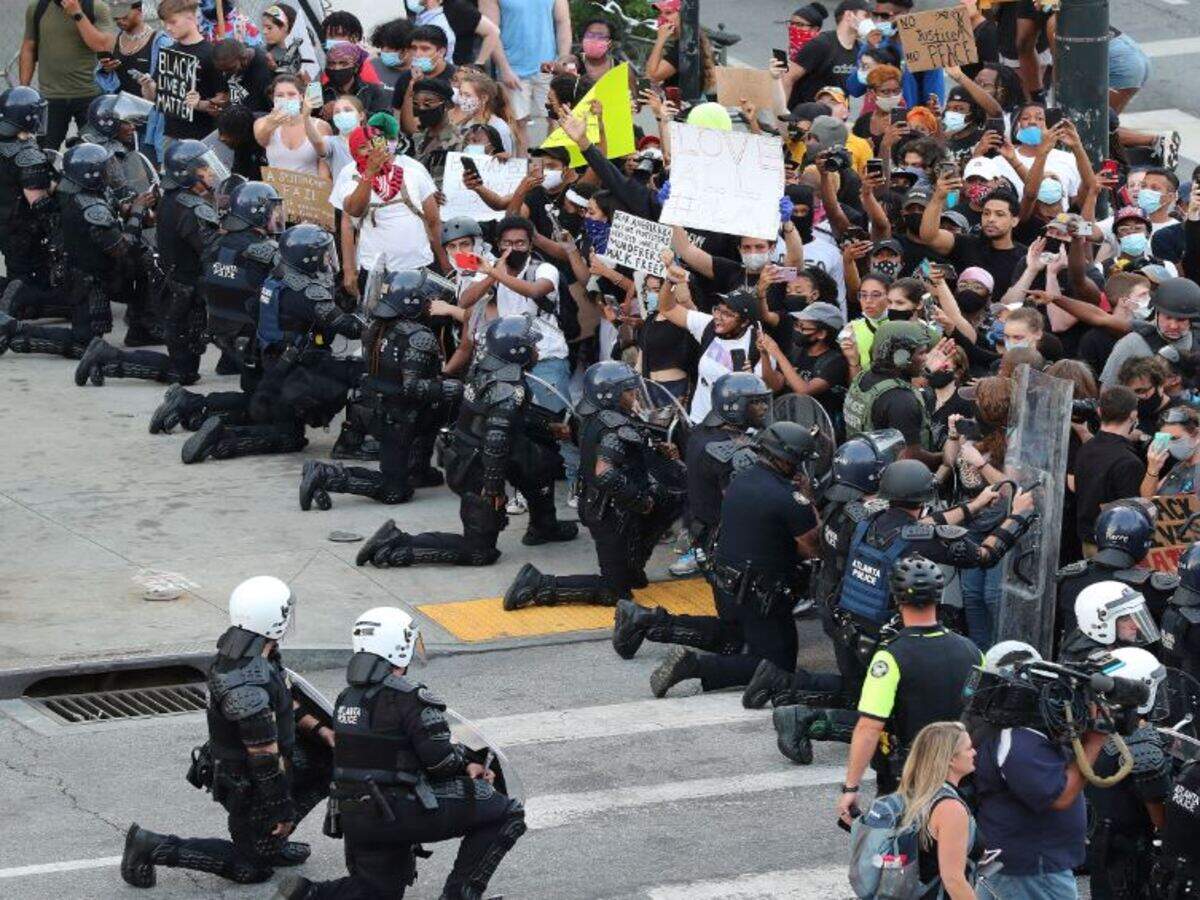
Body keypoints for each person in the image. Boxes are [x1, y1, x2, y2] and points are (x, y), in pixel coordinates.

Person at [273, 606, 525, 900]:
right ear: (399, 646)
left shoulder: (347, 698)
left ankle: (308, 895)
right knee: (505, 812)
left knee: (377, 892)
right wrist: (468, 765)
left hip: (356, 816)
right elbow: (440, 762)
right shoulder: (410, 697)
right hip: (397, 811)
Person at [120, 576, 332, 888]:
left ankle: (268, 841)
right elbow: (264, 760)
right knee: (252, 869)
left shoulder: (257, 649)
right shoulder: (246, 681)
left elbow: (284, 696)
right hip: (248, 781)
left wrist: (321, 731)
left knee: (329, 762)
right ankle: (151, 845)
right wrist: (281, 810)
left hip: (261, 765)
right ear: (275, 619)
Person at [355, 316, 576, 568]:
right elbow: (495, 441)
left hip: (485, 449)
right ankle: (397, 543)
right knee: (479, 551)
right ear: (518, 350)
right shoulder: (507, 389)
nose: (538, 351)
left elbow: (512, 421)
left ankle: (544, 526)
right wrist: (493, 491)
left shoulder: (489, 368)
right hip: (476, 466)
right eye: (533, 346)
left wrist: (547, 427)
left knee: (540, 464)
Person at [647, 423, 822, 699]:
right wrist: (809, 498)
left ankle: (648, 623)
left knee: (739, 638)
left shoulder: (740, 479)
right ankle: (695, 666)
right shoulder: (789, 498)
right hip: (761, 594)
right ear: (787, 460)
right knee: (778, 668)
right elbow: (815, 546)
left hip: (728, 585)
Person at [504, 361, 685, 610]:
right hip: (609, 513)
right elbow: (606, 474)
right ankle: (538, 584)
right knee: (615, 592)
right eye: (629, 391)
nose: (634, 396)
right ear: (611, 395)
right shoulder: (615, 428)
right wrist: (641, 501)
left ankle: (629, 572)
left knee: (631, 572)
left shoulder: (591, 415)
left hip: (598, 504)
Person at [181, 223, 364, 464]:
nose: (328, 259)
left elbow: (253, 307)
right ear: (309, 258)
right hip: (296, 371)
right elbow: (350, 328)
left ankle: (190, 405)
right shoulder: (307, 293)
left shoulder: (277, 276)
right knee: (289, 435)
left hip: (272, 360)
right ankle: (221, 439)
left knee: (266, 411)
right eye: (324, 253)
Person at [814, 555, 981, 802]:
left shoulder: (889, 658)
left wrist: (851, 788)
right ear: (938, 596)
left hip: (909, 781)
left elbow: (869, 727)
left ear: (896, 599)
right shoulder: (972, 651)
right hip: (961, 778)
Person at [300, 269, 462, 511]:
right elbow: (413, 387)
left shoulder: (377, 325)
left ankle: (418, 470)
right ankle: (326, 475)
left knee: (432, 412)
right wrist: (451, 388)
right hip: (399, 418)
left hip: (377, 409)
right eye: (427, 299)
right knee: (395, 490)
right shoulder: (419, 337)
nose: (432, 304)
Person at [969, 643, 1110, 900]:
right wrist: (1095, 742)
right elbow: (1058, 797)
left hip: (1019, 862)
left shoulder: (1008, 728)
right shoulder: (1017, 738)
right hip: (1032, 867)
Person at [149, 181, 284, 434]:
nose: (277, 215)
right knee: (279, 412)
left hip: (226, 337)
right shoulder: (264, 253)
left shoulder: (215, 244)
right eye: (272, 209)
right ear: (258, 212)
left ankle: (192, 408)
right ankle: (192, 404)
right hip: (256, 344)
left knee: (262, 399)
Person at [333, 121, 447, 290]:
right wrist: (349, 271)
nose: (371, 150)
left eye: (375, 143)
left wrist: (444, 263)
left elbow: (434, 221)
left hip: (419, 266)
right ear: (354, 153)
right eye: (364, 147)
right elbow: (353, 212)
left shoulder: (413, 173)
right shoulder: (351, 177)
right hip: (376, 272)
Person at [1056, 501, 1177, 643]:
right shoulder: (1153, 588)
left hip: (1076, 661)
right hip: (1134, 663)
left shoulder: (1070, 578)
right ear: (1144, 542)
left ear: (1098, 536)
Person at [156, 139, 223, 385]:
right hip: (185, 288)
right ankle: (110, 358)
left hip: (175, 283)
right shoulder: (193, 208)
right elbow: (210, 249)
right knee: (183, 370)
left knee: (185, 363)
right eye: (205, 169)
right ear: (188, 173)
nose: (212, 172)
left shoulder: (171, 197)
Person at [891, 721, 982, 900]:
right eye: (969, 748)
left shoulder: (914, 793)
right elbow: (953, 880)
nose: (974, 752)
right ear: (950, 759)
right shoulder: (950, 808)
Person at [478, 0, 572, 156]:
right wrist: (504, 68)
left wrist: (563, 60)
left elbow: (563, 22)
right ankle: (523, 168)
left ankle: (554, 165)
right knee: (518, 122)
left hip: (549, 66)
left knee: (557, 119)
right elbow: (491, 32)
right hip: (513, 67)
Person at [842, 320, 939, 466]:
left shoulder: (864, 377)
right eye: (922, 353)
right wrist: (949, 456)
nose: (926, 359)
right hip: (893, 480)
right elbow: (912, 457)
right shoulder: (902, 400)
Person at [20, 0, 113, 150]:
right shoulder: (37, 7)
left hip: (90, 96)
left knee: (96, 153)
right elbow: (28, 47)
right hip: (50, 98)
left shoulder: (97, 7)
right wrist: (23, 90)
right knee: (44, 154)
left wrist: (77, 13)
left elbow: (103, 45)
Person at [1073, 386, 1147, 552]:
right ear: (1133, 415)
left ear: (1099, 412)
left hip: (1087, 539)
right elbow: (1131, 516)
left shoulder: (1086, 448)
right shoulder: (1129, 462)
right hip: (1115, 547)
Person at [151, 0, 230, 144]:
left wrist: (200, 104)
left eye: (173, 22)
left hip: (202, 137)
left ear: (191, 17)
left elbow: (224, 101)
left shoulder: (211, 54)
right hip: (170, 134)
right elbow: (155, 95)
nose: (168, 28)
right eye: (165, 23)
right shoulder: (168, 52)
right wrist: (146, 85)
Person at [784, 0, 870, 107]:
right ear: (849, 15)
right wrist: (781, 114)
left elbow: (856, 91)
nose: (870, 22)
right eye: (866, 16)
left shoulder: (861, 50)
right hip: (805, 118)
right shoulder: (820, 44)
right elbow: (788, 78)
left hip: (836, 119)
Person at [1060, 579, 1162, 663]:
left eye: (1136, 617)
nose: (1136, 625)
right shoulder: (1088, 655)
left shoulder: (1113, 643)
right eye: (1125, 619)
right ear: (1100, 623)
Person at [254, 75, 331, 178]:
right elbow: (261, 140)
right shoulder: (262, 122)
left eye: (291, 94)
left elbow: (325, 164)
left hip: (309, 189)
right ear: (273, 99)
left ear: (301, 97)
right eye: (280, 96)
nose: (286, 99)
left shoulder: (321, 126)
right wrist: (272, 123)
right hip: (276, 190)